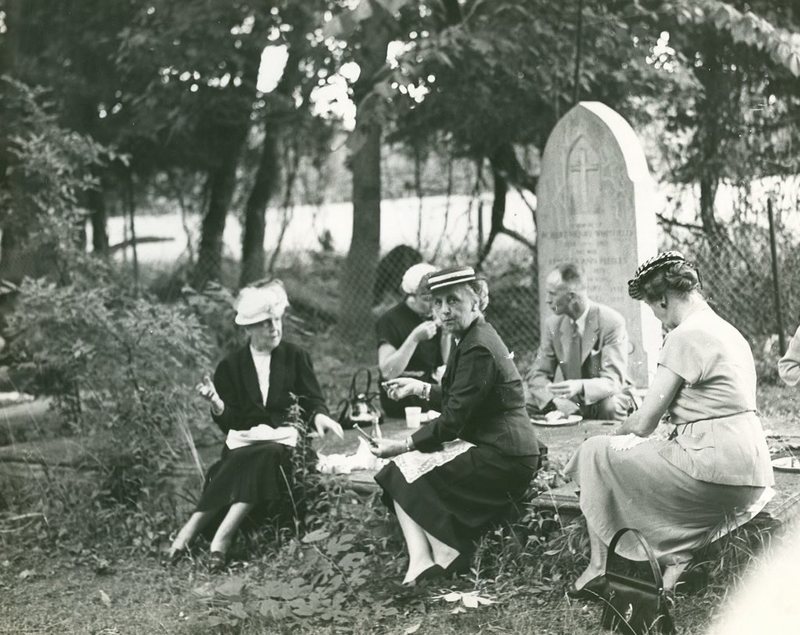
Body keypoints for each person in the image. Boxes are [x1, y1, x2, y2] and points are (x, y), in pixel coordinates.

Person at [564, 251, 774, 597]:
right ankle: (676, 558)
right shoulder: (727, 329)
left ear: (662, 299)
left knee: (594, 451)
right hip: (751, 473)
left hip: (713, 467)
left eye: (653, 308)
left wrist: (615, 434)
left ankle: (597, 569)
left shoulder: (684, 335)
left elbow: (644, 422)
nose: (658, 318)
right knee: (649, 455)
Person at [370, 265, 540, 585]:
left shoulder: (477, 345)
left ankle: (444, 553)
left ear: (477, 301)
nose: (444, 311)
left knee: (403, 466)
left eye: (453, 301)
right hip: (496, 447)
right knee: (401, 469)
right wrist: (418, 388)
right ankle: (424, 558)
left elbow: (452, 421)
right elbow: (459, 397)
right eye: (437, 303)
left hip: (504, 457)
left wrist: (405, 443)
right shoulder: (470, 337)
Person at [166, 281, 343, 570]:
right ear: (247, 329)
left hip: (288, 448)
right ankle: (214, 536)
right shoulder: (231, 366)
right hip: (245, 447)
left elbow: (313, 400)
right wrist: (216, 402)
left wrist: (321, 417)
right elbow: (232, 423)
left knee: (270, 453)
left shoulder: (296, 357)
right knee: (257, 455)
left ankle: (206, 533)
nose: (274, 328)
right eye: (264, 324)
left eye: (276, 320)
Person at [526, 263, 636, 421]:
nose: (547, 300)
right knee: (525, 403)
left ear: (571, 296)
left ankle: (613, 444)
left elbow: (613, 382)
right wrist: (554, 400)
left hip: (607, 395)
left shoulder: (611, 322)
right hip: (573, 399)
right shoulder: (553, 324)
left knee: (609, 405)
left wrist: (579, 386)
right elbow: (537, 373)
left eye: (552, 294)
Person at [376, 262, 450, 418]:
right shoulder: (390, 320)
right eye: (426, 300)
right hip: (401, 400)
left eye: (436, 300)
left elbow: (444, 364)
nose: (433, 305)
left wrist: (445, 334)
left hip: (429, 397)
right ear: (412, 295)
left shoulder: (435, 315)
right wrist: (414, 338)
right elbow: (387, 372)